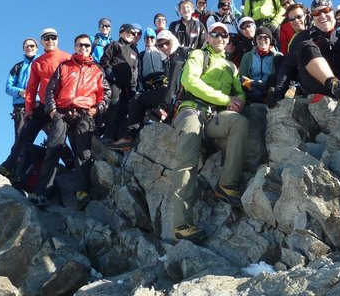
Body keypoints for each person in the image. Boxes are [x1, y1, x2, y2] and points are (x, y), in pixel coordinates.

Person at [171, 22, 248, 243]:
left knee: (239, 123)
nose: (220, 38)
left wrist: (239, 102)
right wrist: (225, 99)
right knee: (187, 161)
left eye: (225, 35)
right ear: (208, 37)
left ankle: (227, 184)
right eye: (216, 34)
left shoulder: (231, 67)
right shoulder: (198, 55)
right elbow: (189, 81)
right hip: (192, 111)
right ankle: (181, 223)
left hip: (215, 117)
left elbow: (239, 92)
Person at [35, 34, 110, 209]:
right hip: (62, 112)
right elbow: (51, 90)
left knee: (83, 153)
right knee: (53, 148)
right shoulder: (64, 66)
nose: (83, 48)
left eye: (86, 45)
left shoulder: (97, 69)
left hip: (85, 113)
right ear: (75, 47)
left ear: (90, 48)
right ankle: (42, 192)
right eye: (79, 45)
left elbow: (105, 93)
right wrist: (52, 110)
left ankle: (82, 192)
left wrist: (97, 109)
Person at [0, 28, 71, 181]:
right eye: (46, 38)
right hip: (43, 105)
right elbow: (32, 88)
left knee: (57, 138)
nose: (50, 41)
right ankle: (9, 167)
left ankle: (71, 164)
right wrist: (29, 110)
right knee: (24, 135)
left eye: (53, 38)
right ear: (42, 42)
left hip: (62, 106)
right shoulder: (37, 63)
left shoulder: (67, 57)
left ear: (57, 40)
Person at [270, 0, 340, 107]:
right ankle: (337, 87)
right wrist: (279, 94)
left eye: (326, 10)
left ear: (333, 13)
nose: (322, 16)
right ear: (312, 17)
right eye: (317, 13)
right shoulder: (303, 37)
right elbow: (288, 66)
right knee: (306, 45)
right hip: (317, 86)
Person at [106, 30, 190, 151]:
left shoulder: (179, 54)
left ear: (173, 40)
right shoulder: (168, 57)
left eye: (166, 43)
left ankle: (128, 137)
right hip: (173, 93)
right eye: (160, 45)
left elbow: (174, 83)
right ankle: (128, 137)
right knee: (138, 99)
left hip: (179, 95)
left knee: (137, 100)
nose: (164, 47)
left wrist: (165, 105)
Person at [100, 23, 140, 142]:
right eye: (128, 32)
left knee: (125, 109)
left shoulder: (134, 52)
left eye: (133, 33)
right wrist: (109, 73)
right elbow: (104, 60)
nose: (131, 35)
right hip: (114, 82)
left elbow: (134, 71)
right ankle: (107, 135)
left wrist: (133, 87)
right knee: (114, 104)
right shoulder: (114, 44)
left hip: (127, 86)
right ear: (121, 32)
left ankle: (119, 137)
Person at [6, 38, 39, 141]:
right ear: (23, 49)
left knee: (53, 133)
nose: (29, 48)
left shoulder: (42, 63)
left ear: (37, 48)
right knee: (21, 138)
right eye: (26, 46)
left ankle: (67, 157)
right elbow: (8, 87)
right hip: (21, 106)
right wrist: (20, 92)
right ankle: (21, 157)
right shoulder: (17, 67)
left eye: (32, 46)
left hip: (39, 104)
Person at [239, 26, 283, 104]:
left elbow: (280, 79)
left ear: (270, 40)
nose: (262, 40)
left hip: (269, 89)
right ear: (255, 40)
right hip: (252, 88)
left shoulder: (278, 56)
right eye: (259, 38)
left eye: (266, 37)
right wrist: (251, 84)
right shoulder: (247, 56)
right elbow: (242, 76)